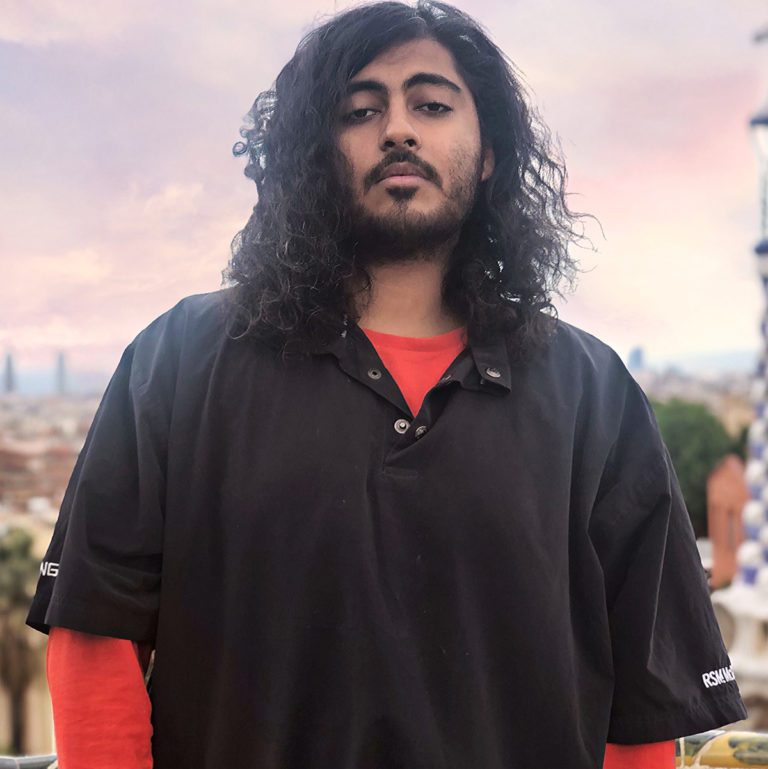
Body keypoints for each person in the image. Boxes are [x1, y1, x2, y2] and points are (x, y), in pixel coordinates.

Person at [27, 2, 747, 768]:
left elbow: (642, 706)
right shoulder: (179, 359)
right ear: (316, 153)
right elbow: (96, 632)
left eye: (432, 105)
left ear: (490, 153)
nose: (398, 129)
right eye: (360, 110)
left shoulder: (594, 395)